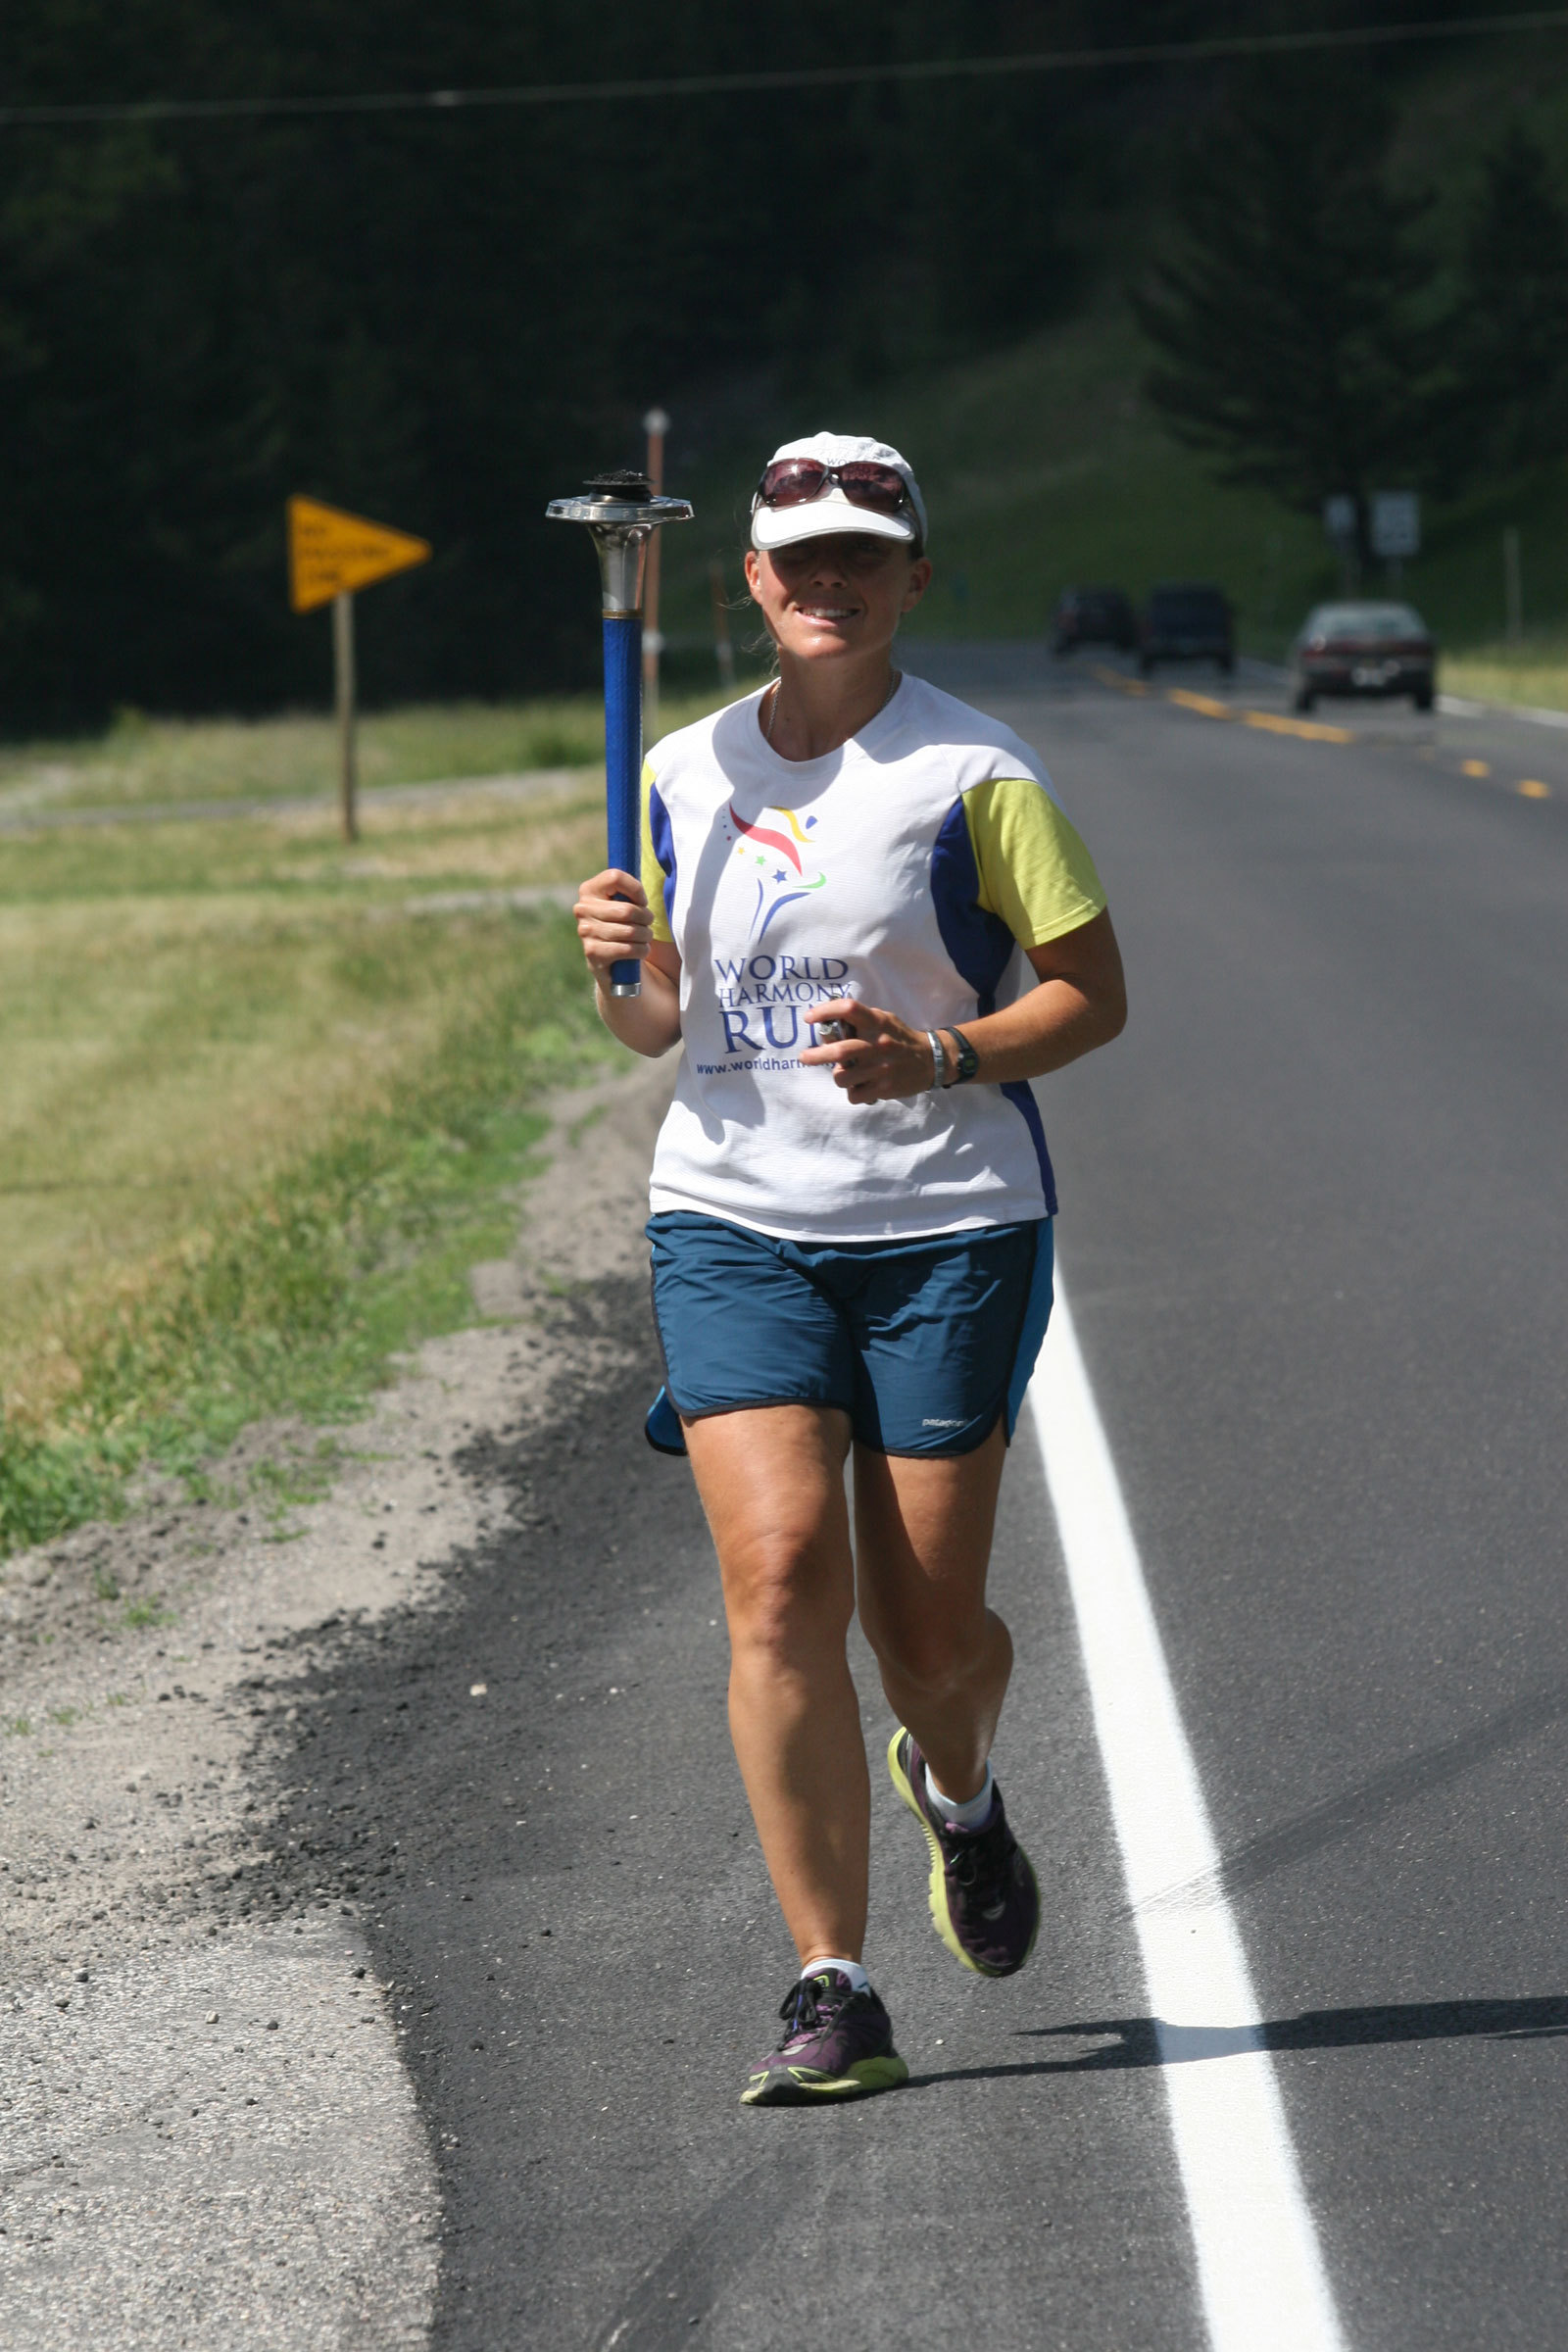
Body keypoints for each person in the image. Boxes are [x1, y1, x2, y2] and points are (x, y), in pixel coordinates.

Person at [573, 432, 1126, 2106]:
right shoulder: (683, 768)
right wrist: (616, 971)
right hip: (734, 1216)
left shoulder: (976, 773)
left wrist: (942, 1055)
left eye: (862, 554)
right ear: (750, 578)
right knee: (779, 1582)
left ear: (913, 578)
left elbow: (1090, 995)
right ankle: (835, 1984)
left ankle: (959, 1789)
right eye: (799, 554)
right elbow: (663, 1025)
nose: (830, 579)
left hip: (945, 1224)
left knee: (927, 1637)